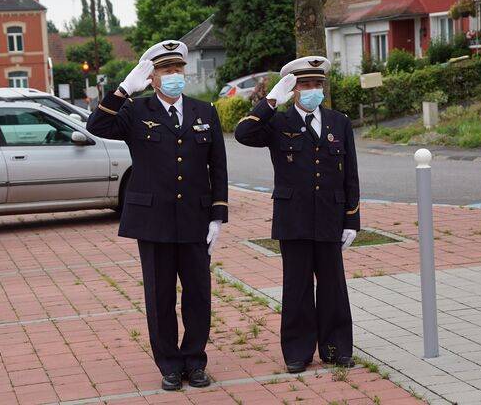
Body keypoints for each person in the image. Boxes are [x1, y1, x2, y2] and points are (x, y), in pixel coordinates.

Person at [87, 40, 228, 390]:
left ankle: (194, 361)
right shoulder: (136, 111)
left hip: (195, 218)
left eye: (178, 69)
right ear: (152, 78)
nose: (175, 76)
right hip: (153, 221)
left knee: (197, 294)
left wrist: (217, 215)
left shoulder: (204, 111)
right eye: (166, 71)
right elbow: (97, 126)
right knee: (160, 295)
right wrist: (122, 90)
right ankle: (168, 363)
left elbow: (218, 167)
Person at [234, 56, 360, 374]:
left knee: (333, 286)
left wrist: (351, 220)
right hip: (294, 218)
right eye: (305, 85)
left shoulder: (338, 122)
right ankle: (298, 351)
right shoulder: (278, 122)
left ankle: (337, 347)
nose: (312, 90)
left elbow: (351, 177)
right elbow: (243, 133)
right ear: (293, 90)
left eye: (317, 84)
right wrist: (271, 99)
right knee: (297, 287)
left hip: (331, 217)